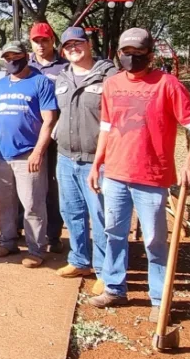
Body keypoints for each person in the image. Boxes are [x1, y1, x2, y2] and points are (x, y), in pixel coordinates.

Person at [87, 28, 190, 323]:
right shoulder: (112, 84)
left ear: (150, 56)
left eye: (137, 54)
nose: (131, 58)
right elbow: (106, 127)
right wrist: (96, 164)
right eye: (125, 53)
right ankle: (114, 288)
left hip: (151, 178)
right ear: (118, 55)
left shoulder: (168, 85)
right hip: (115, 173)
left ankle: (159, 297)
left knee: (154, 240)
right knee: (113, 234)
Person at [0, 41, 58, 268]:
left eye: (16, 56)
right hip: (3, 155)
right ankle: (7, 241)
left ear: (26, 56)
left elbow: (49, 120)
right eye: (8, 57)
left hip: (28, 156)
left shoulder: (40, 82)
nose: (12, 61)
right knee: (6, 203)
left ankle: (36, 250)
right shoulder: (0, 86)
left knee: (33, 204)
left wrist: (38, 152)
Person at [52, 27, 117, 291]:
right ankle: (79, 259)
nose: (73, 49)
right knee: (71, 212)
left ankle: (104, 270)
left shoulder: (109, 76)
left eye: (78, 43)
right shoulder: (61, 77)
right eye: (68, 46)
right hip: (66, 158)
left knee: (101, 217)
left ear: (89, 45)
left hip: (97, 161)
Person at [27, 22, 67, 253]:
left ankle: (53, 234)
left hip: (56, 137)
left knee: (52, 186)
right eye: (36, 40)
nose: (41, 45)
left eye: (45, 40)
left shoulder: (64, 67)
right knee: (26, 185)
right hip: (28, 136)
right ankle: (26, 230)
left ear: (53, 40)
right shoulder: (25, 65)